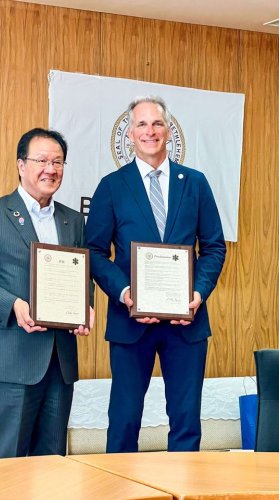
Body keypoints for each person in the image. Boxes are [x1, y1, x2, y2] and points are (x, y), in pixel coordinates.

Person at [85, 96, 226, 452]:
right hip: (131, 323)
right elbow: (95, 253)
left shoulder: (195, 183)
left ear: (169, 130)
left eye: (157, 124)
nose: (150, 131)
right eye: (142, 125)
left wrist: (198, 293)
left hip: (187, 322)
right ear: (130, 134)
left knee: (186, 422)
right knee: (124, 420)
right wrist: (124, 292)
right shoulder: (111, 186)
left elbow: (213, 247)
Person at [0, 128, 94, 458]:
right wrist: (14, 305)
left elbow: (81, 275)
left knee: (51, 467)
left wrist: (85, 305)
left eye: (58, 161)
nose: (51, 168)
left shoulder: (72, 221)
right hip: (10, 364)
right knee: (6, 466)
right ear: (21, 165)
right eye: (42, 160)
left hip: (59, 365)